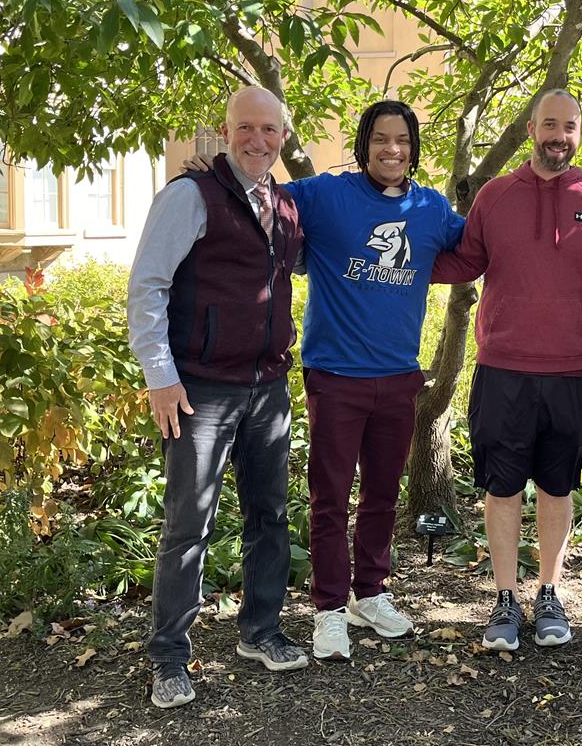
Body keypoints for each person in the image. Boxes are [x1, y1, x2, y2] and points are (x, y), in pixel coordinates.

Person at [187, 100, 466, 660]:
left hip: (399, 377)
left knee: (384, 496)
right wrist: (207, 180)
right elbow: (255, 197)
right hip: (336, 376)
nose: (393, 149)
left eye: (403, 140)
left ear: (414, 148)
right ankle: (330, 609)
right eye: (381, 139)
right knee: (331, 497)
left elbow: (481, 243)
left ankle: (371, 593)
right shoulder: (325, 195)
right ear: (364, 144)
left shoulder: (431, 209)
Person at [128, 86, 307, 709]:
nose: (258, 141)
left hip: (268, 389)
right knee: (188, 526)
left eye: (270, 130)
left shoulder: (283, 206)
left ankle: (261, 632)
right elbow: (147, 286)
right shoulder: (190, 195)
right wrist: (161, 376)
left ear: (283, 137)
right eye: (246, 128)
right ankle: (170, 659)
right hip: (199, 390)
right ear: (226, 131)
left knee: (270, 517)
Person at [432, 89, 582, 651]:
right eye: (548, 124)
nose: (557, 136)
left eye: (568, 126)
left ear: (578, 133)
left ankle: (548, 591)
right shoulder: (495, 196)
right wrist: (398, 260)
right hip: (503, 368)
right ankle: (503, 598)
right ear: (531, 128)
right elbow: (466, 259)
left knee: (557, 485)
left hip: (571, 370)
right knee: (502, 485)